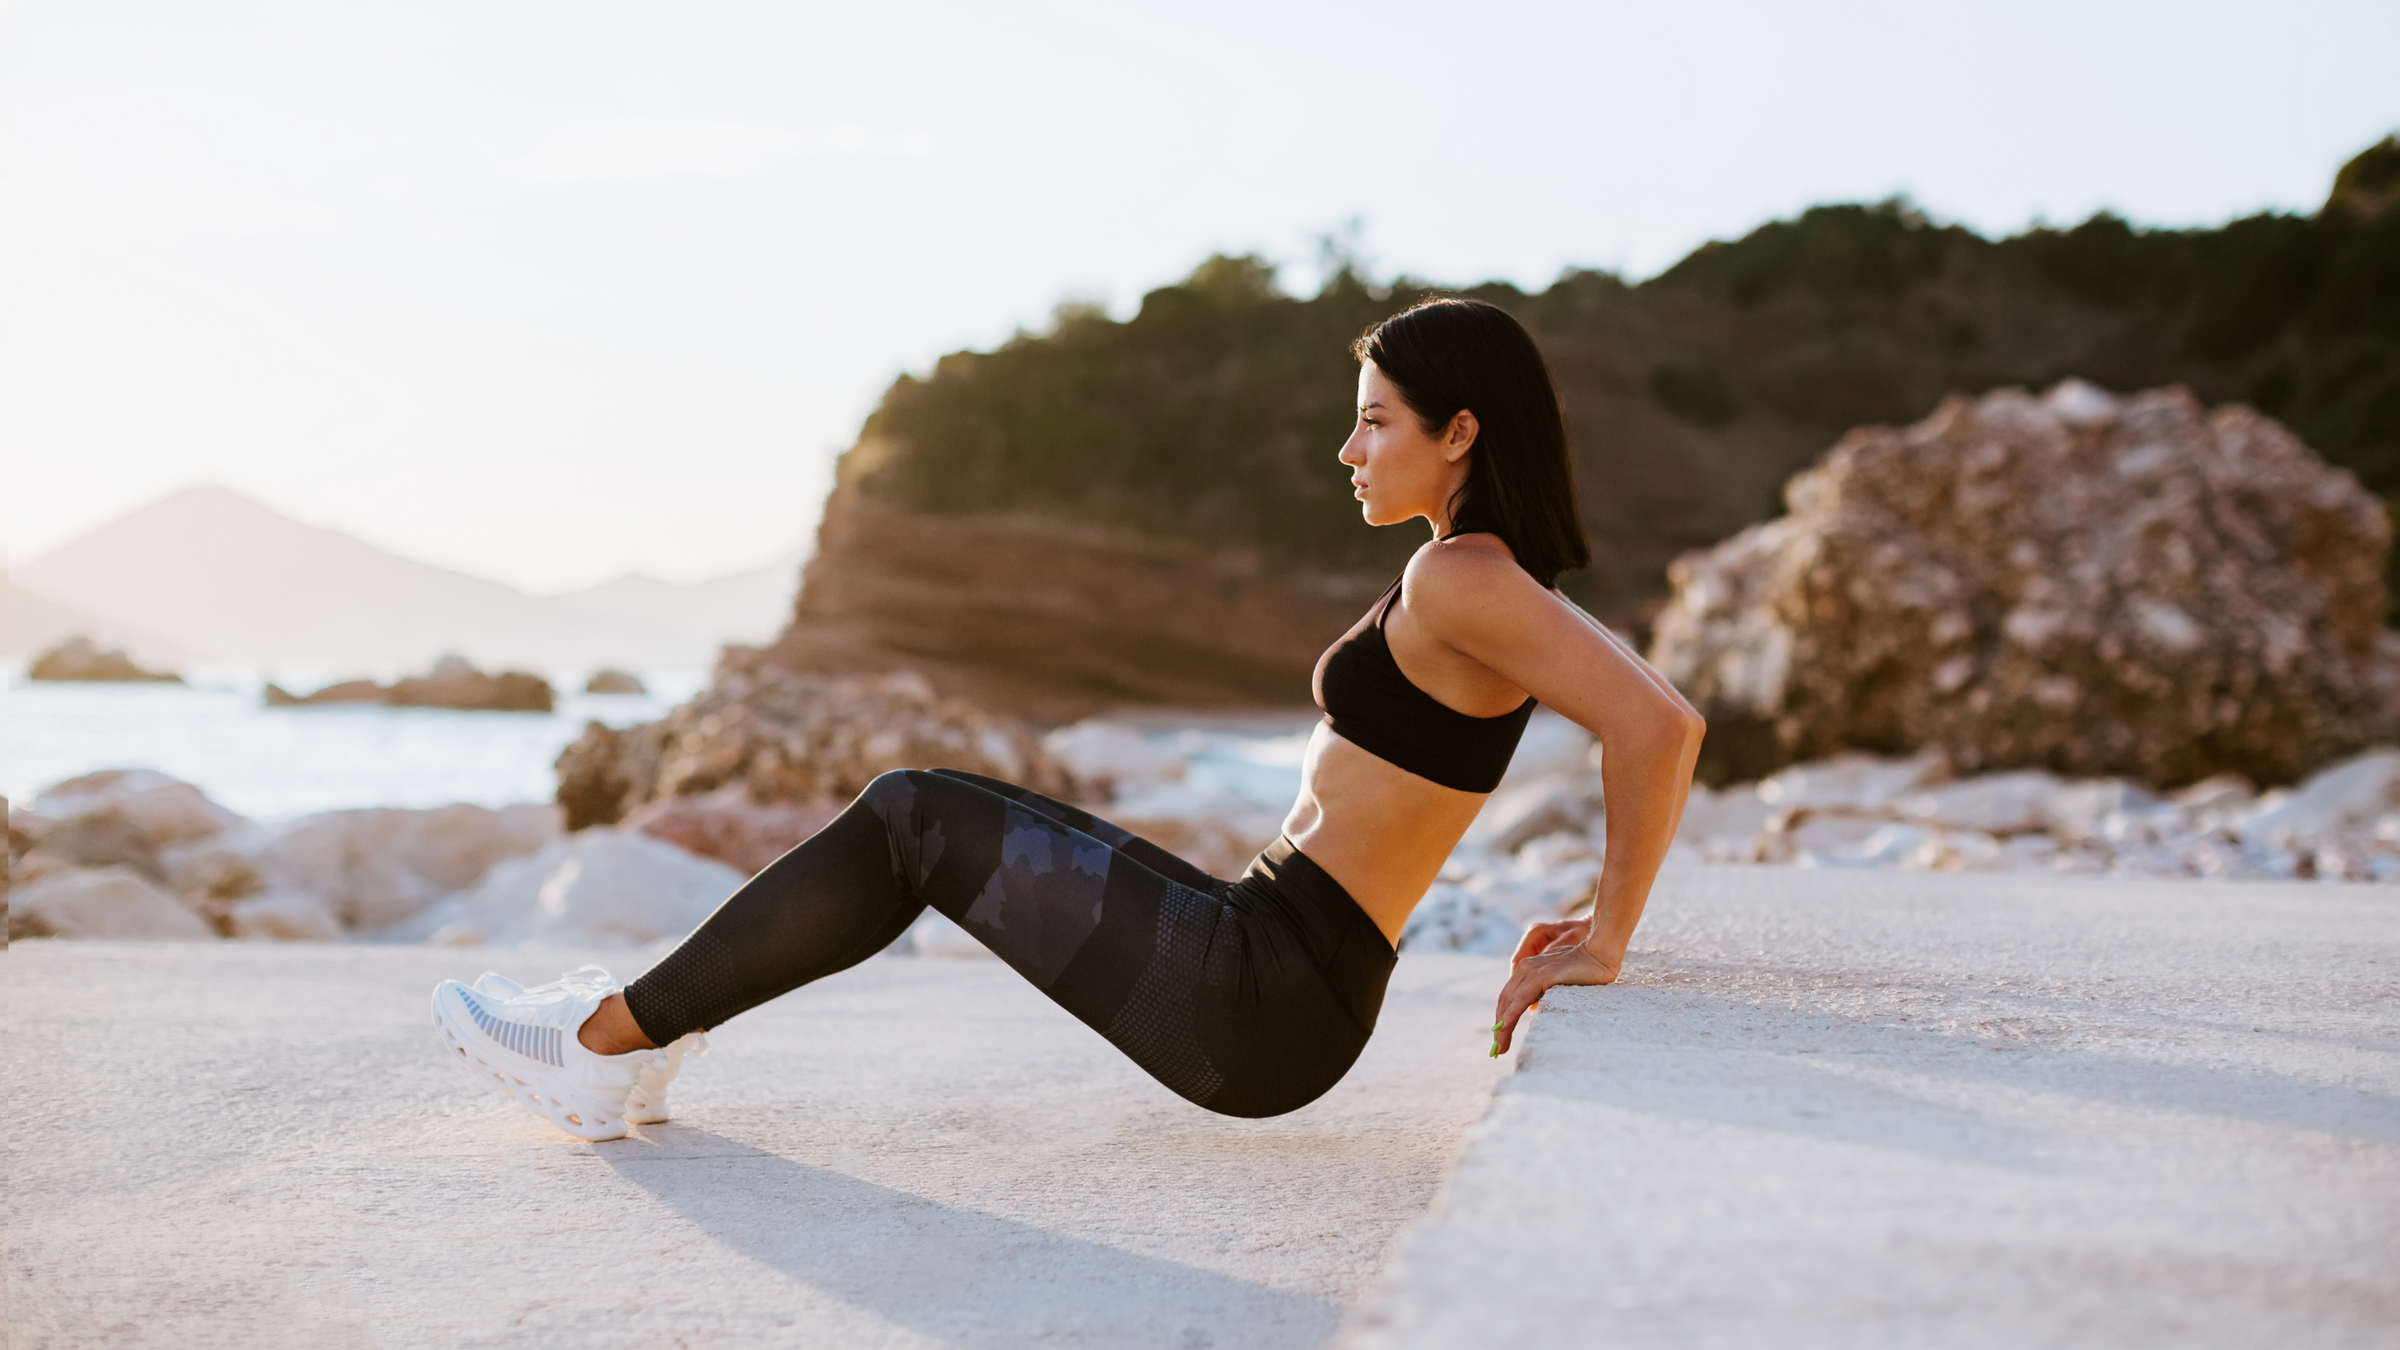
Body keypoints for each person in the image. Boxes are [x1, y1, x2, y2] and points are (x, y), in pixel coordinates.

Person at [430, 297, 1706, 1141]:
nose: (1348, 448)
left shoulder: (1463, 576)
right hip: (1267, 956)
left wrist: (1607, 936)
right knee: (924, 810)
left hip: (1266, 998)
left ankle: (602, 1046)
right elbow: (1653, 716)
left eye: (1375, 420)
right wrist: (1606, 912)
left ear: (1462, 429)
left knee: (914, 812)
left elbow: (1660, 727)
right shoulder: (1482, 577)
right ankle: (642, 1032)